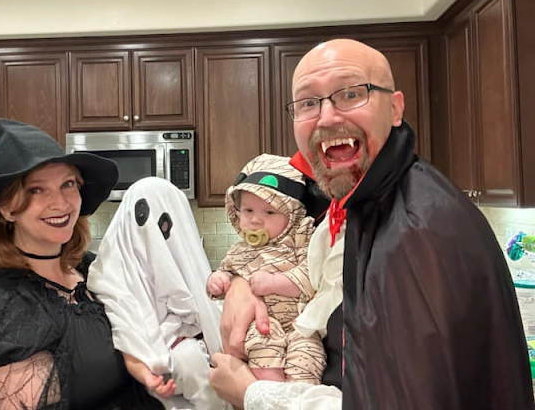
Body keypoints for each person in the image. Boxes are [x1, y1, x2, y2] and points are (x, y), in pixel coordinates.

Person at [209, 39, 534, 409]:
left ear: (395, 108)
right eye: (308, 103)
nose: (327, 117)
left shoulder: (416, 232)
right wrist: (243, 285)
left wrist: (252, 393)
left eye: (351, 94)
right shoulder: (358, 203)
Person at [0, 119, 163, 410]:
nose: (61, 203)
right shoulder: (3, 301)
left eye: (68, 184)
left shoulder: (93, 269)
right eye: (36, 190)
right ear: (8, 208)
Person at [87, 176, 229, 410]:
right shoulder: (110, 275)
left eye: (163, 226)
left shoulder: (185, 267)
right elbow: (125, 330)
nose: (152, 234)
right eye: (142, 219)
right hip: (144, 387)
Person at [206, 153, 325, 384]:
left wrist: (274, 284)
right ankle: (269, 393)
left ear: (292, 215)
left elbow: (314, 277)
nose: (255, 220)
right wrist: (217, 281)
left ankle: (297, 394)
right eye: (248, 211)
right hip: (261, 328)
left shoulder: (301, 242)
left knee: (307, 359)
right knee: (261, 347)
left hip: (302, 327)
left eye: (269, 212)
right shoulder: (238, 251)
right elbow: (225, 275)